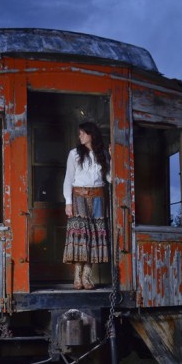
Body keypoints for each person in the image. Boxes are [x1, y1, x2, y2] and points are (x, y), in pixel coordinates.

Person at [63, 122, 111, 289]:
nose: (80, 136)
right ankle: (77, 278)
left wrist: (113, 158)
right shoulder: (74, 154)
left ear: (92, 134)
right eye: (80, 133)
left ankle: (86, 277)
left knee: (94, 237)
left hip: (98, 197)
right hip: (79, 197)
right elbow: (68, 179)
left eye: (83, 133)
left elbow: (110, 179)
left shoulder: (103, 153)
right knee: (80, 236)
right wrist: (68, 202)